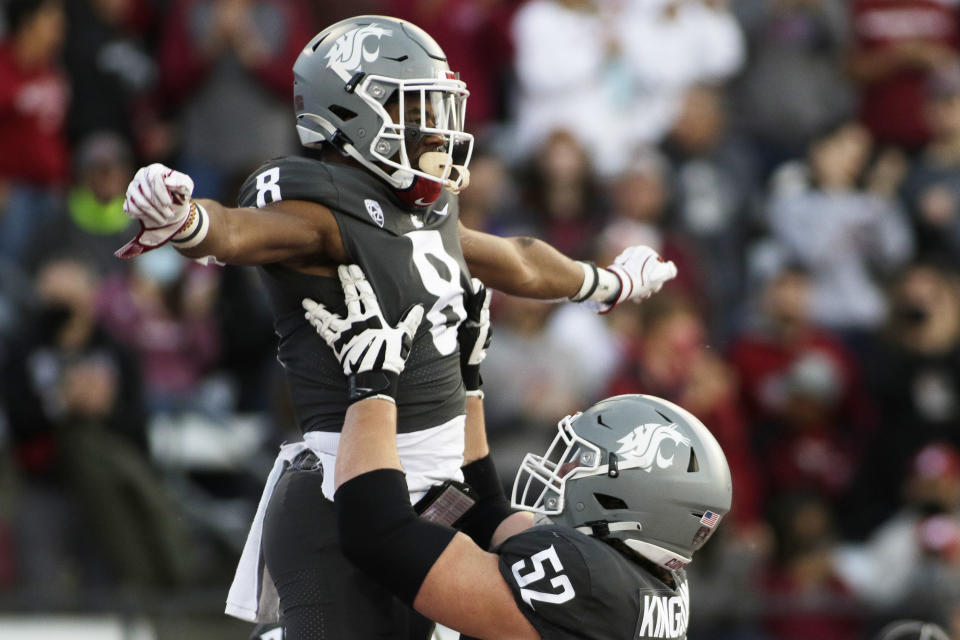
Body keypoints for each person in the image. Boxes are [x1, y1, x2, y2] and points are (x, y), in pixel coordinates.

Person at [114, 15, 678, 639]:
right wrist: (187, 220)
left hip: (439, 488)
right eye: (416, 105)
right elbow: (242, 232)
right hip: (344, 500)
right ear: (351, 110)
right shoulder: (320, 207)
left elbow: (513, 256)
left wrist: (604, 282)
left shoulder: (422, 207)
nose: (438, 124)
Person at [303, 264, 732, 639]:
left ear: (634, 493)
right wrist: (468, 386)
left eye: (585, 461)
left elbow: (376, 534)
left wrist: (372, 385)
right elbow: (481, 511)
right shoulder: (655, 575)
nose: (563, 467)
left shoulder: (587, 576)